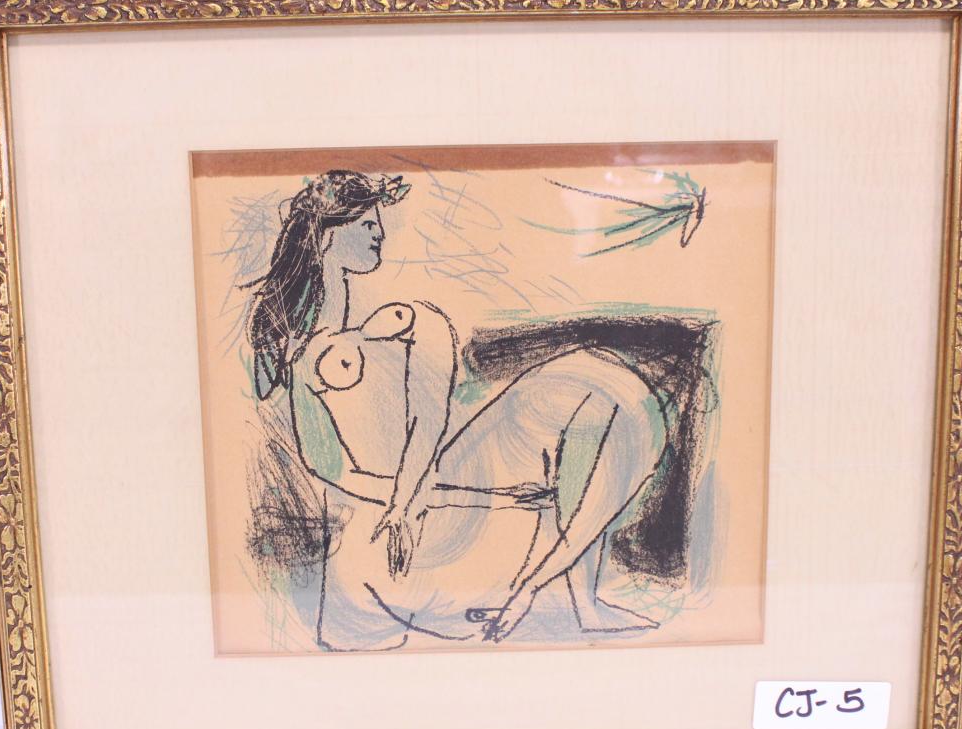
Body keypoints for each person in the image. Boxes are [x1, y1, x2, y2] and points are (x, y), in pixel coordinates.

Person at [245, 170, 670, 650]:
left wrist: (448, 494)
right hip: (400, 544)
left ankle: (574, 602)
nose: (379, 232)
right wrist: (455, 500)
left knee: (599, 385)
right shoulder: (314, 356)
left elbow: (424, 424)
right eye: (365, 224)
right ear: (327, 238)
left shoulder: (390, 325)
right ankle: (541, 593)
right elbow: (331, 469)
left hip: (416, 526)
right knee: (599, 388)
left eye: (378, 222)